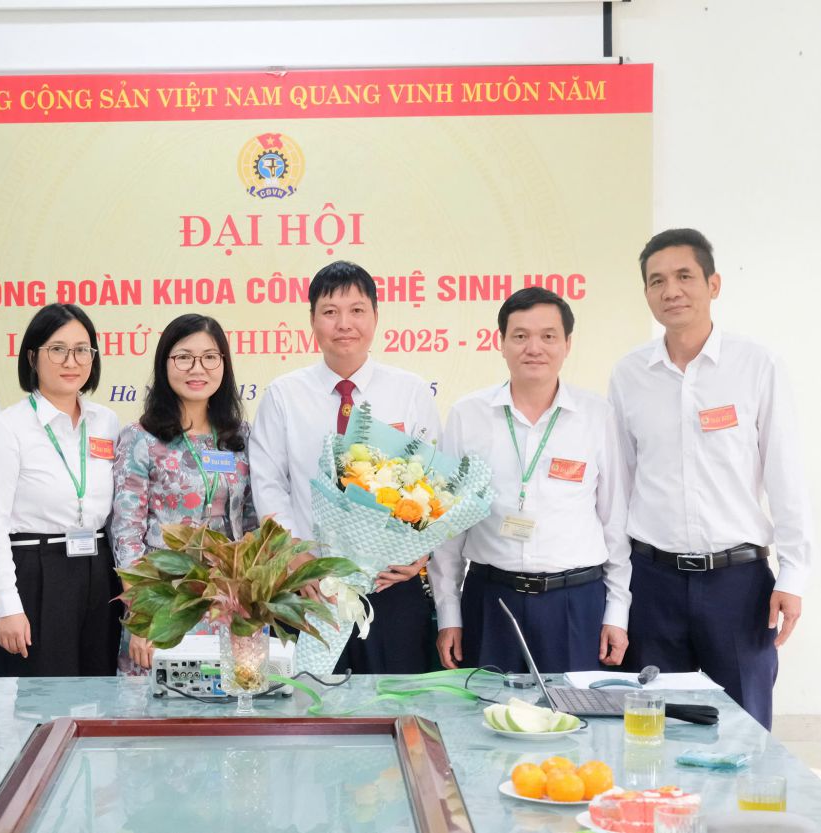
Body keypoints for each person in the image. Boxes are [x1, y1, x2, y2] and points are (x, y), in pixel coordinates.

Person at [609, 229, 813, 729]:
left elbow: (786, 474)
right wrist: (619, 594)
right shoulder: (629, 375)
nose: (671, 290)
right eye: (657, 281)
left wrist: (793, 574)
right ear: (647, 295)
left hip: (738, 585)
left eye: (684, 276)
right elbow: (618, 488)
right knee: (652, 730)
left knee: (747, 735)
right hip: (652, 583)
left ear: (713, 284)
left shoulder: (756, 365)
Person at [250, 260, 441, 674]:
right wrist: (297, 560)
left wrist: (419, 552)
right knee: (308, 712)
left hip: (390, 585)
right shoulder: (284, 395)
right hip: (308, 588)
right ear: (313, 321)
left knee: (395, 708)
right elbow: (269, 485)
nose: (344, 324)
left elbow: (431, 486)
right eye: (330, 312)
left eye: (357, 310)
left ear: (375, 316)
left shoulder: (409, 391)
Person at [430, 287, 631, 673]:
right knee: (486, 721)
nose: (533, 347)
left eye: (548, 336)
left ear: (567, 344)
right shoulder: (467, 415)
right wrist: (449, 614)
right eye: (520, 336)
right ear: (500, 343)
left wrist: (617, 611)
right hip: (491, 598)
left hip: (576, 602)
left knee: (576, 723)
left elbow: (615, 521)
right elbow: (447, 527)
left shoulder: (596, 416)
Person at [0, 303, 121, 676]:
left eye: (82, 350)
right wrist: (7, 605)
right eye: (57, 349)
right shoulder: (7, 427)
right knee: (42, 695)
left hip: (98, 566)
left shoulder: (106, 421)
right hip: (37, 570)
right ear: (32, 356)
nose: (70, 361)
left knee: (98, 685)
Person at [111, 314, 258, 673]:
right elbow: (127, 534)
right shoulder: (141, 438)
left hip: (230, 603)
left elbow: (253, 521)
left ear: (224, 363)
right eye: (183, 357)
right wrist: (143, 614)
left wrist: (253, 599)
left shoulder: (240, 437)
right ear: (165, 364)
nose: (198, 368)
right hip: (166, 603)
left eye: (210, 357)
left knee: (232, 710)